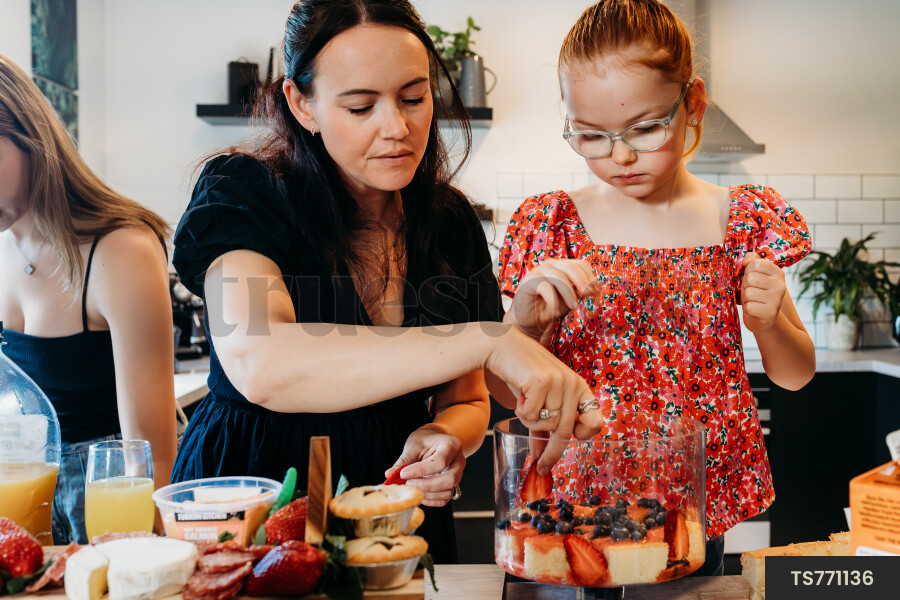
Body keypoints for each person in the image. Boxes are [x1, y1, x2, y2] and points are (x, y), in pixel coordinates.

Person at [170, 0, 601, 563]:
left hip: (394, 508)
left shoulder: (447, 221)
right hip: (260, 497)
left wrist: (444, 436)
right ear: (303, 104)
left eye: (413, 98)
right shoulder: (247, 192)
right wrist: (486, 338)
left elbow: (467, 398)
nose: (397, 128)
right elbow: (261, 362)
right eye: (359, 107)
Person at [495, 0, 816, 576]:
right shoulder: (554, 226)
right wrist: (524, 325)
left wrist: (768, 324)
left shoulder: (739, 221)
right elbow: (501, 391)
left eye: (646, 128)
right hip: (576, 505)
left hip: (694, 506)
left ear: (692, 104)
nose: (620, 155)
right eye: (591, 136)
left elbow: (796, 374)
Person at [0, 55, 177, 544]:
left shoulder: (121, 250)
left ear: (27, 135)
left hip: (102, 508)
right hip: (17, 506)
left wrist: (142, 564)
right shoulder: (3, 244)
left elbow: (154, 456)